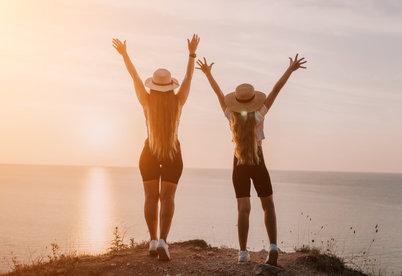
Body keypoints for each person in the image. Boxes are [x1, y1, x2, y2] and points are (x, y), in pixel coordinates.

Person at [196, 54, 307, 265]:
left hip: (239, 163)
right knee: (269, 205)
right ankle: (273, 247)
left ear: (236, 102)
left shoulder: (232, 117)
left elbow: (218, 93)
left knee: (243, 209)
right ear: (253, 101)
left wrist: (208, 74)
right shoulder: (259, 115)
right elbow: (275, 90)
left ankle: (243, 253)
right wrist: (290, 70)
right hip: (258, 160)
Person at [112, 34, 200, 261]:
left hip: (149, 152)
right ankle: (163, 240)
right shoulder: (178, 100)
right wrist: (191, 54)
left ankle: (152, 241)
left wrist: (125, 55)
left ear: (155, 85)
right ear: (170, 86)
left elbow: (135, 77)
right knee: (167, 198)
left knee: (150, 197)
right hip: (172, 151)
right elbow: (190, 76)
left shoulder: (147, 100)